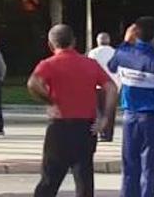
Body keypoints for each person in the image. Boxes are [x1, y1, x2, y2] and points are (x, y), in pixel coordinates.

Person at [27, 24, 117, 197]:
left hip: (59, 126)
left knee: (49, 179)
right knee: (84, 179)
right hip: (86, 127)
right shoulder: (90, 64)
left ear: (50, 45)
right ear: (74, 42)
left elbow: (33, 83)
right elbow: (111, 88)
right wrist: (105, 117)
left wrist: (50, 101)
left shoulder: (48, 64)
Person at [108, 17, 154, 197]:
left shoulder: (123, 54)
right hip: (152, 117)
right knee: (149, 166)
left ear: (134, 33)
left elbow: (111, 65)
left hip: (129, 116)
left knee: (129, 165)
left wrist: (125, 41)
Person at [88, 32, 119, 142]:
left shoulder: (93, 53)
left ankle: (101, 132)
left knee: (99, 111)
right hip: (114, 85)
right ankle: (109, 134)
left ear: (98, 41)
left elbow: (90, 69)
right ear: (108, 40)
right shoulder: (115, 52)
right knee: (110, 110)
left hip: (98, 86)